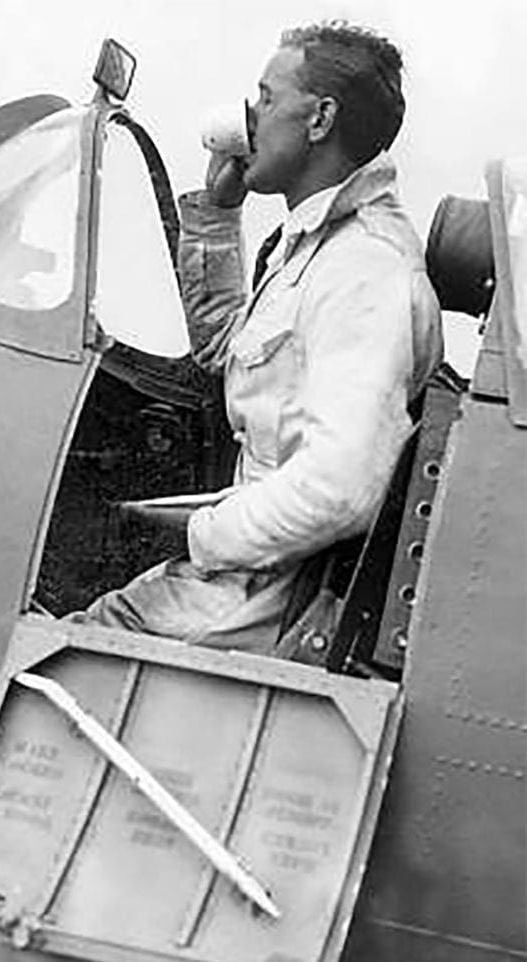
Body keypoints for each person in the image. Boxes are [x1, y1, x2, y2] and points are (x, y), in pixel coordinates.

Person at [74, 21, 444, 653]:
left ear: (320, 118)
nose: (250, 116)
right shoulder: (316, 247)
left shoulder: (365, 269)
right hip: (241, 570)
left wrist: (197, 537)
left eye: (267, 97)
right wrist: (219, 216)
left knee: (43, 647)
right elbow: (230, 353)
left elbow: (338, 488)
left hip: (260, 597)